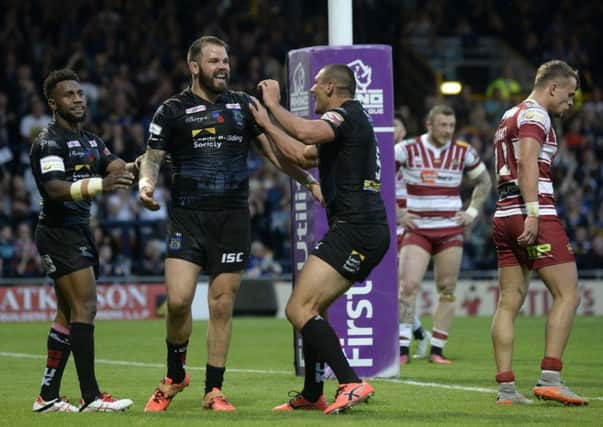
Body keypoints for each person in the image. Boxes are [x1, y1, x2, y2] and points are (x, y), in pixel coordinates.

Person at [138, 36, 322, 413]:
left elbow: (275, 153)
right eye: (214, 61)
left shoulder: (244, 106)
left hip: (233, 219)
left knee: (221, 307)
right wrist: (145, 185)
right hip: (187, 218)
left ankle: (214, 390)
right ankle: (175, 375)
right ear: (194, 66)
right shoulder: (171, 110)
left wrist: (310, 182)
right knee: (177, 301)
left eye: (226, 60)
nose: (223, 66)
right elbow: (152, 157)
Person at [249, 64, 390, 415]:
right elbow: (298, 155)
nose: (311, 90)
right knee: (314, 310)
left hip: (357, 227)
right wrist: (262, 135)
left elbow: (307, 134)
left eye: (315, 85)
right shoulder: (348, 127)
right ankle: (313, 393)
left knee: (298, 309)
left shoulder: (346, 114)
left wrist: (272, 109)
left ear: (330, 87)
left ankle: (351, 382)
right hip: (359, 226)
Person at [30, 69, 137, 412]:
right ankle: (91, 396)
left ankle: (47, 397)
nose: (77, 99)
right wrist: (102, 185)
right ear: (53, 103)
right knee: (86, 308)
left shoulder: (91, 140)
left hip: (79, 231)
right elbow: (55, 189)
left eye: (79, 93)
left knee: (66, 314)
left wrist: (125, 167)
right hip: (59, 233)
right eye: (69, 95)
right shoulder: (49, 142)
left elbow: (111, 161)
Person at [490, 59, 588, 406]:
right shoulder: (536, 115)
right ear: (553, 88)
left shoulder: (507, 116)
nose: (571, 102)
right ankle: (551, 378)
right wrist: (532, 213)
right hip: (533, 212)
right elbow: (528, 161)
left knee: (509, 301)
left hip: (503, 213)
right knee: (568, 294)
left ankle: (505, 389)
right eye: (570, 94)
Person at [396, 105, 491, 364]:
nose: (448, 131)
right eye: (442, 125)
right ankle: (403, 349)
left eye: (451, 126)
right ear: (429, 125)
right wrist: (398, 213)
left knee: (447, 288)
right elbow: (378, 176)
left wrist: (471, 212)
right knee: (408, 286)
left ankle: (437, 349)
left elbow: (485, 181)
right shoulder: (407, 148)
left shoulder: (463, 151)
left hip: (450, 230)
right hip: (418, 229)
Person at [393, 114, 431, 364]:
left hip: (407, 226)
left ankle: (412, 335)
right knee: (393, 291)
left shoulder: (412, 156)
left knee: (402, 288)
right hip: (388, 225)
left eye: (397, 125)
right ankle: (419, 333)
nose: (392, 130)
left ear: (404, 129)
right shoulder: (383, 156)